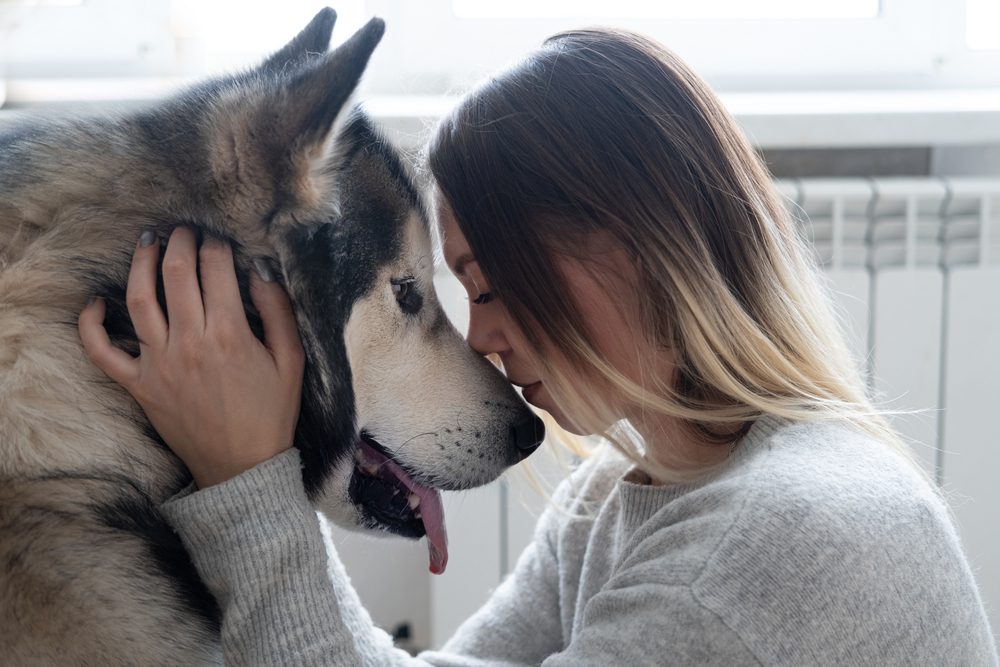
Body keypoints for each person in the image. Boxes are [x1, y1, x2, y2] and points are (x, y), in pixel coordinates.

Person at [78, 27, 997, 666]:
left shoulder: (765, 549)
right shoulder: (626, 495)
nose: (483, 336)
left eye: (494, 282)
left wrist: (249, 481)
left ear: (632, 245)